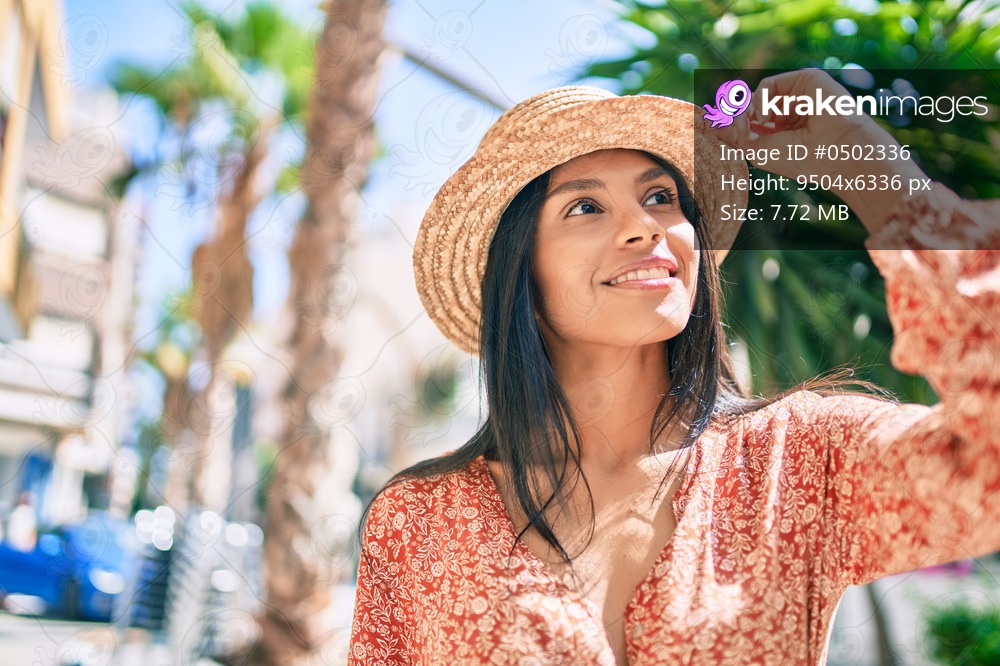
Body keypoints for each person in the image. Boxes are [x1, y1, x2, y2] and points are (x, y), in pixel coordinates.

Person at [348, 69, 1000, 664]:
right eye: (585, 206)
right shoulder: (419, 523)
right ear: (521, 272)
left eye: (662, 197)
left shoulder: (801, 461)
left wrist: (875, 171)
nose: (645, 226)